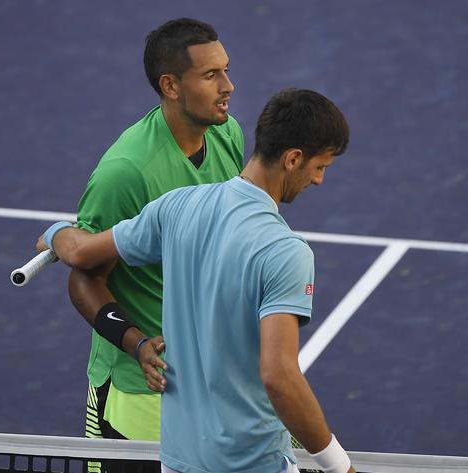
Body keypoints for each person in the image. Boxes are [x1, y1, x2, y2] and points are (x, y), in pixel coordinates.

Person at [39, 89, 355, 473]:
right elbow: (279, 376)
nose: (319, 180)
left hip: (178, 462)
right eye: (320, 167)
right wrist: (338, 465)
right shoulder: (286, 252)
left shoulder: (175, 208)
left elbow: (81, 253)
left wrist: (56, 232)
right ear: (292, 159)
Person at [68, 18, 243, 473]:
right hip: (134, 393)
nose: (228, 86)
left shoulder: (228, 135)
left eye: (225, 70)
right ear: (170, 85)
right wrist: (136, 342)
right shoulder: (126, 172)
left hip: (206, 382)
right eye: (210, 75)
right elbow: (85, 278)